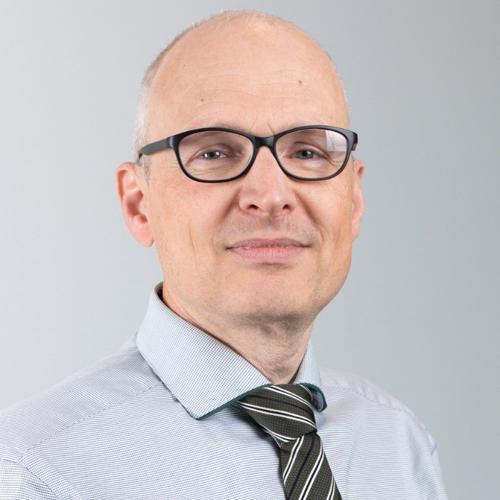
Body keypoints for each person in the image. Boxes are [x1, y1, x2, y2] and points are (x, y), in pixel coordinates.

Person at [0, 9, 448, 500]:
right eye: (214, 153)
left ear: (354, 200)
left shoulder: (397, 443)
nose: (271, 194)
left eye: (307, 152)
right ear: (138, 204)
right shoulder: (33, 468)